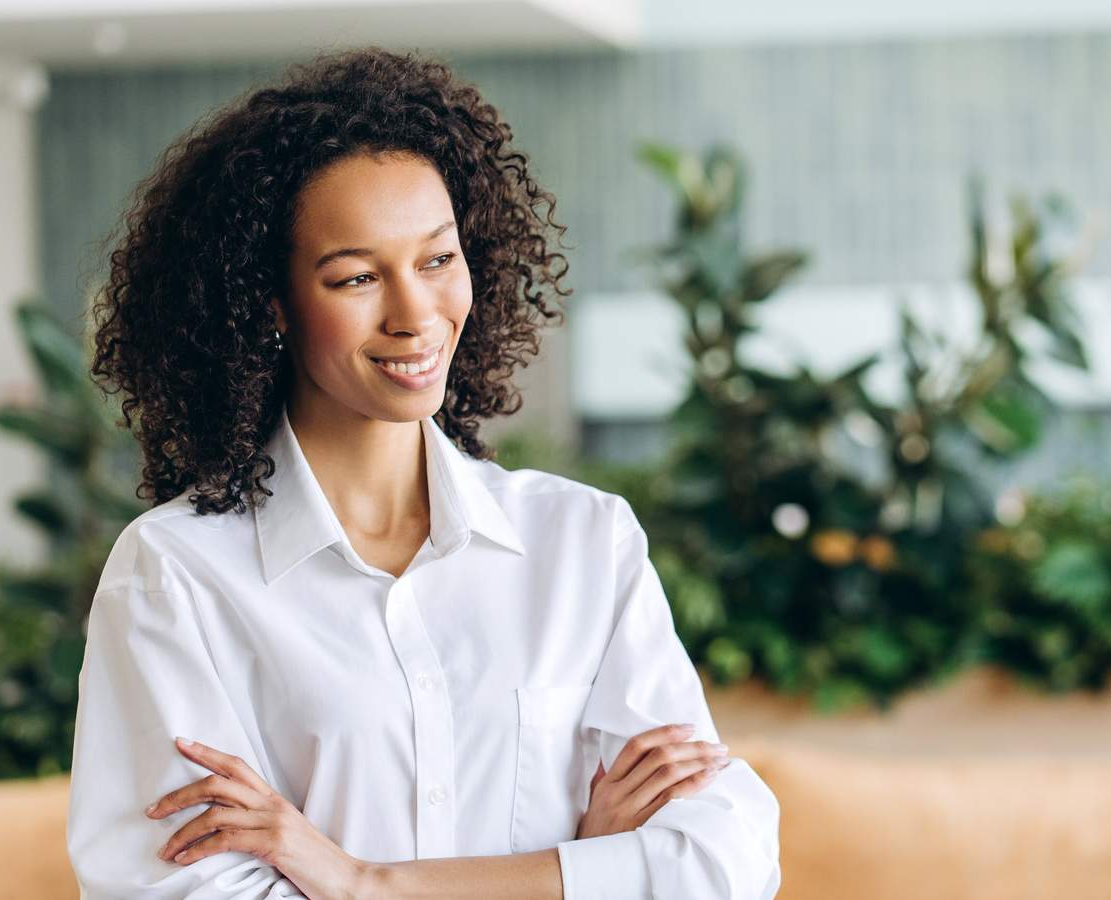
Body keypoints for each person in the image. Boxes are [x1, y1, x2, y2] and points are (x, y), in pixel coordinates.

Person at [66, 46, 782, 900]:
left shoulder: (583, 544)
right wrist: (581, 870)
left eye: (438, 260)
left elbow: (725, 863)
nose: (416, 313)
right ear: (271, 306)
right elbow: (180, 893)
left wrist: (358, 880)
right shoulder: (178, 576)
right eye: (358, 277)